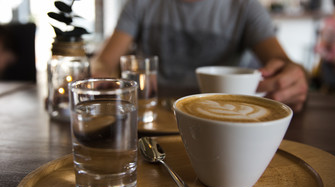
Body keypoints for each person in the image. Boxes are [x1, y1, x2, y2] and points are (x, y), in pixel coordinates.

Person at [92, 0, 308, 112]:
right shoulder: (140, 4)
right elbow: (104, 61)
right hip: (151, 119)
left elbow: (282, 63)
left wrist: (292, 79)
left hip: (223, 118)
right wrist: (99, 72)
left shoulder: (245, 7)